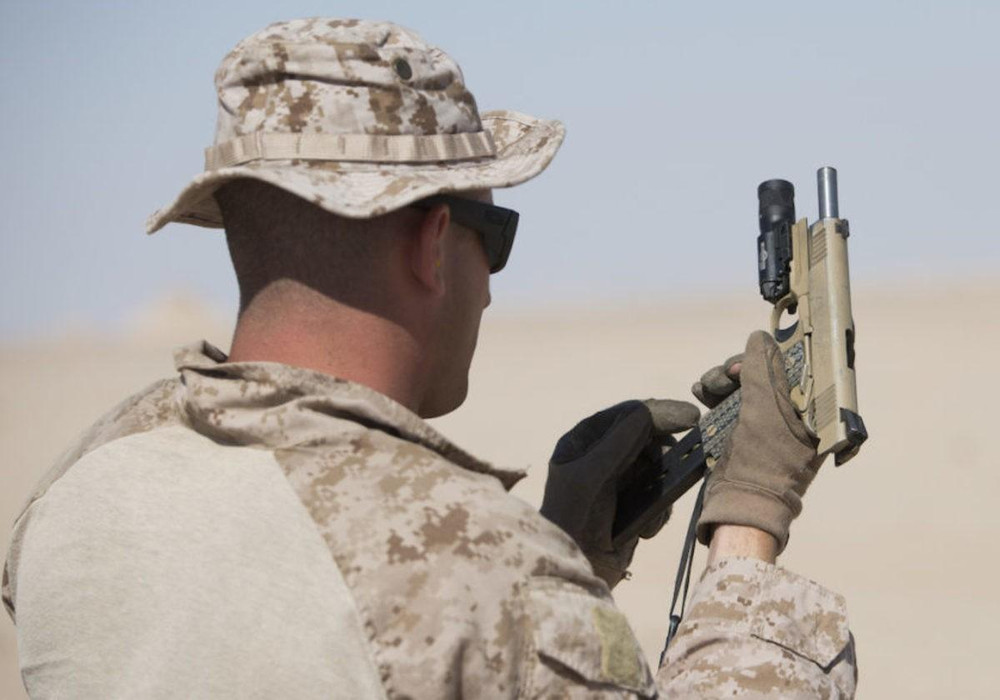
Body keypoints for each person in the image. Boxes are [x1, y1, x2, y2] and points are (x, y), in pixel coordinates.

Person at [3, 18, 856, 698]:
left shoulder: (86, 482)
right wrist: (749, 519)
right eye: (497, 238)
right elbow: (438, 606)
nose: (488, 292)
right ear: (433, 245)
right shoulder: (482, 576)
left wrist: (565, 553)